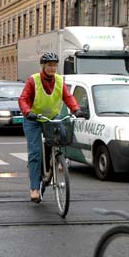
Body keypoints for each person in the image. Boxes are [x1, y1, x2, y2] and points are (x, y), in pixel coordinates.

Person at [19, 52, 84, 202]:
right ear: (43, 66)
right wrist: (28, 112)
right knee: (35, 153)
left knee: (62, 135)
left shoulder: (60, 81)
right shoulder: (33, 80)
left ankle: (55, 160)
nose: (52, 68)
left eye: (54, 65)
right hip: (34, 119)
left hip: (51, 117)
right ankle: (35, 188)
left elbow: (68, 97)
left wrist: (76, 109)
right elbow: (23, 99)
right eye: (49, 65)